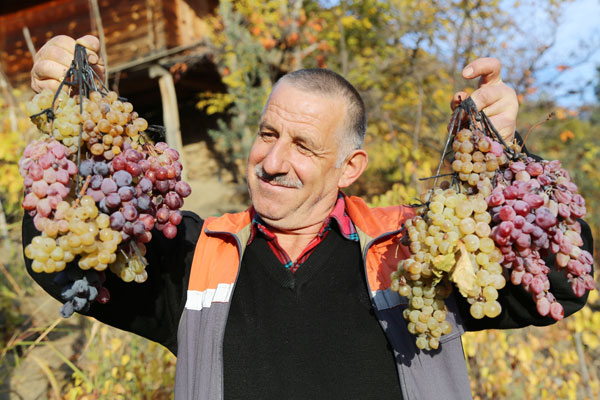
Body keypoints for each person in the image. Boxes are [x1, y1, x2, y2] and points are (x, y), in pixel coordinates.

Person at [24, 35, 592, 400]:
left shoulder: (416, 248)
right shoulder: (199, 253)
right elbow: (68, 262)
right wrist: (66, 123)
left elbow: (563, 283)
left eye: (303, 146)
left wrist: (508, 156)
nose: (273, 162)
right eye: (268, 134)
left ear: (350, 167)